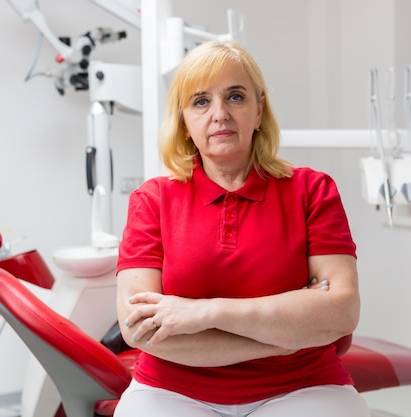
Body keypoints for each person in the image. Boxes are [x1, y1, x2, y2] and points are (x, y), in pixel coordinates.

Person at [114, 40, 369, 417]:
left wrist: (204, 313)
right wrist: (286, 337)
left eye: (235, 97)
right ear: (184, 122)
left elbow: (341, 312)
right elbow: (141, 331)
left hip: (302, 385)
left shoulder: (312, 190)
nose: (220, 114)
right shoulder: (152, 200)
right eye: (201, 101)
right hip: (172, 390)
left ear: (259, 110)